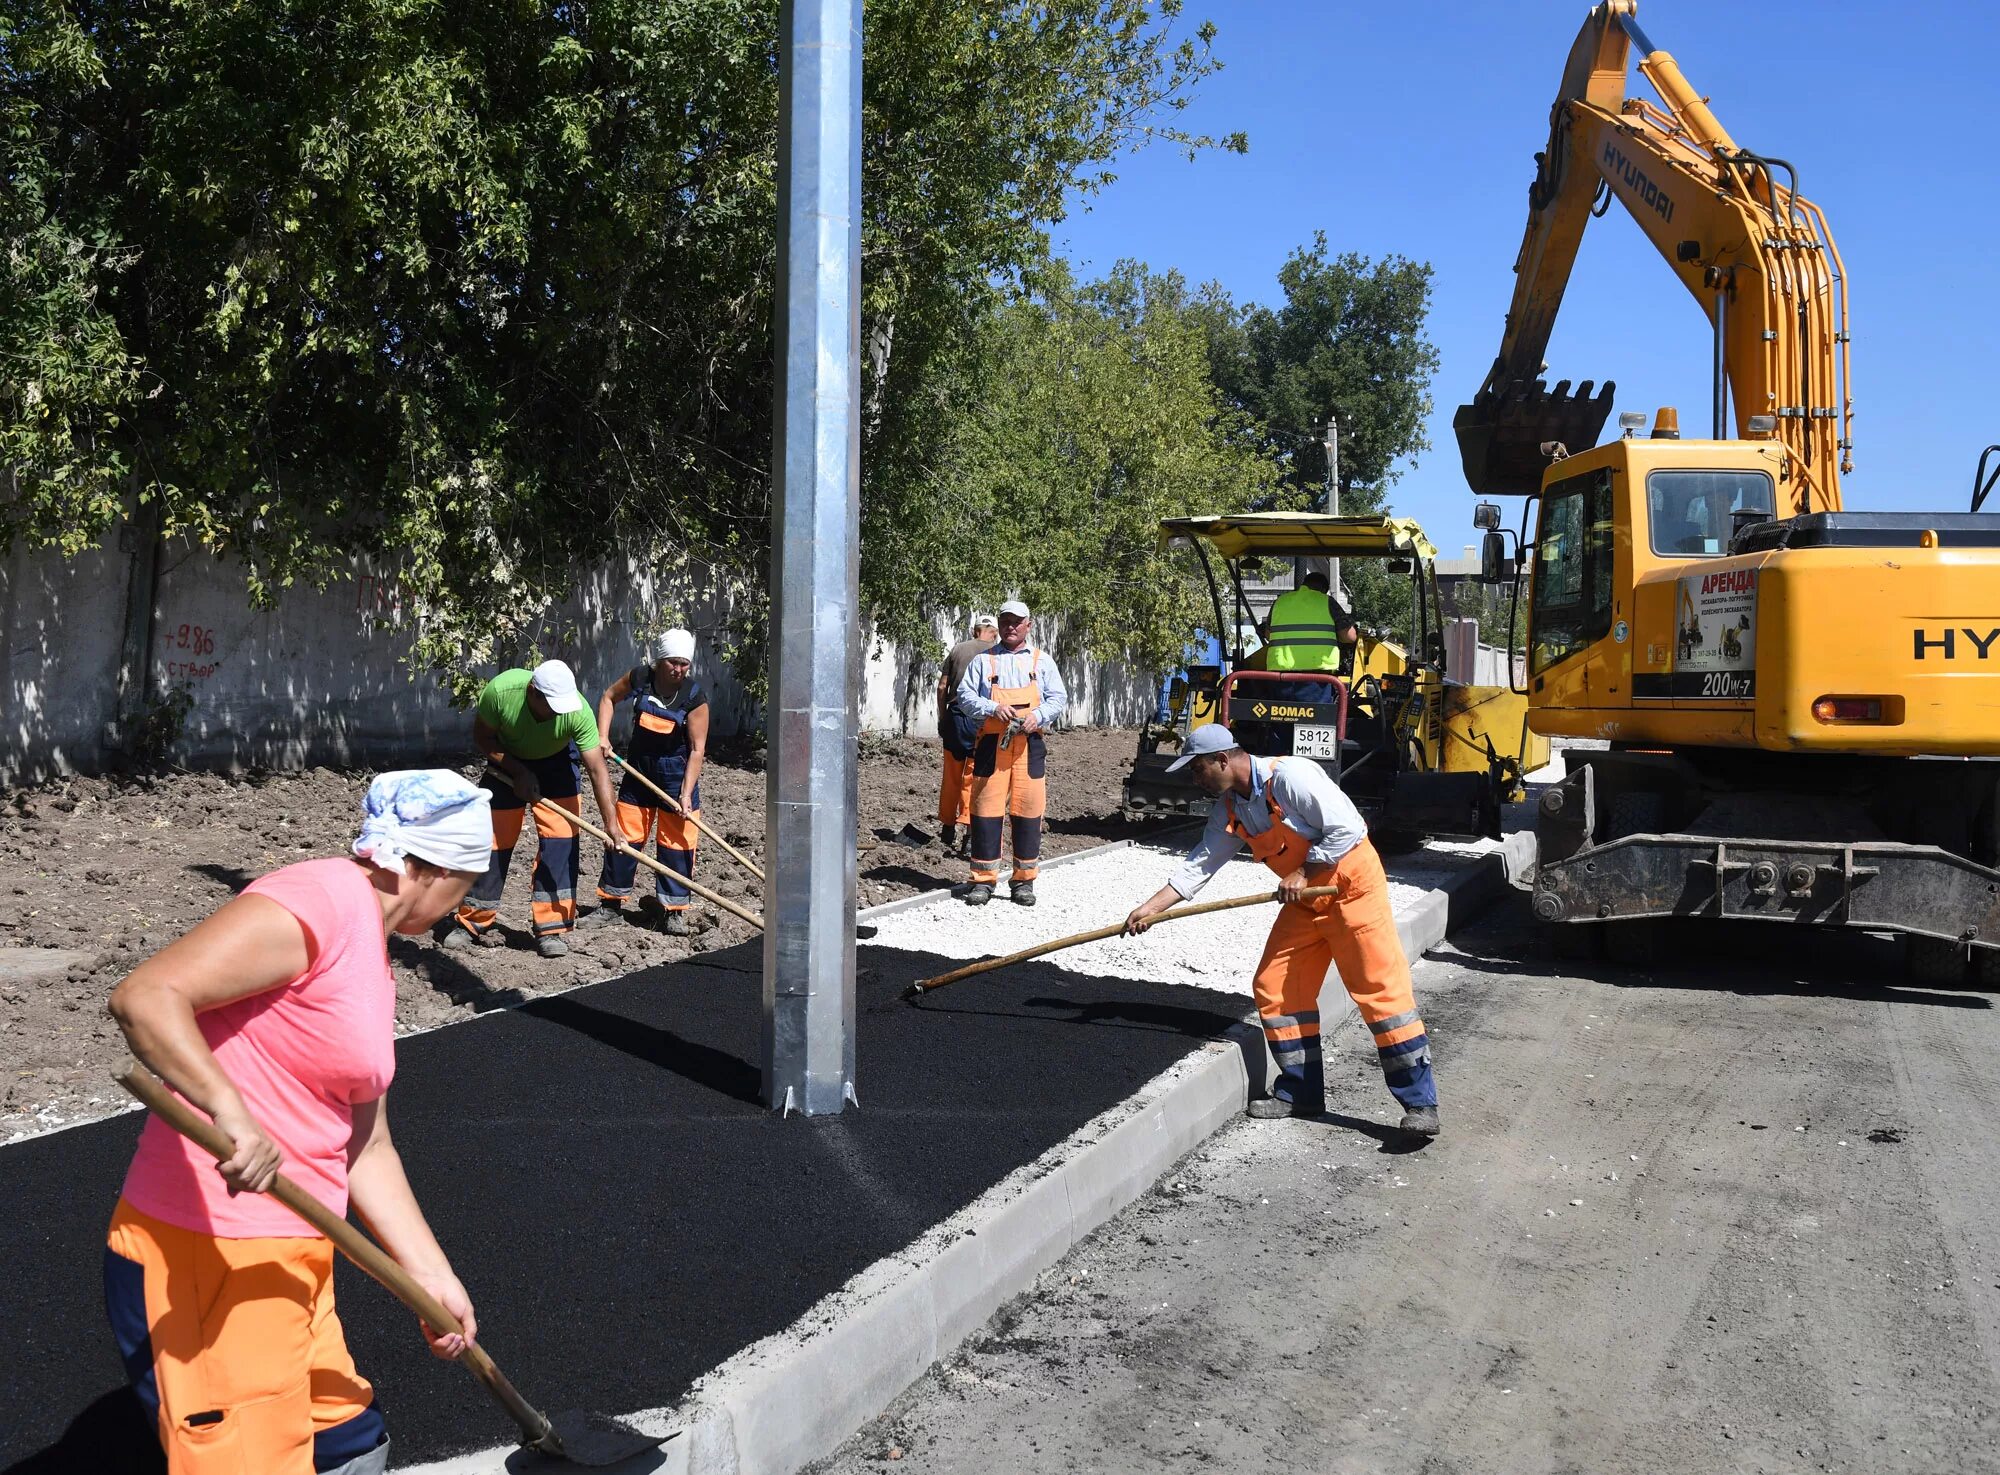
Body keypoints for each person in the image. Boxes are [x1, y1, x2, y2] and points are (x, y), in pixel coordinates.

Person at [104, 771, 490, 1475]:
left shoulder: (371, 950)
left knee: (351, 1443)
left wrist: (431, 1277)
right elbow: (146, 996)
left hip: (295, 1252)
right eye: (468, 888)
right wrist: (231, 1111)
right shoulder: (315, 900)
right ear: (432, 870)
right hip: (209, 1255)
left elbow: (367, 1146)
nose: (462, 909)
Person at [1121, 725, 1441, 1137]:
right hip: (1305, 900)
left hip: (1350, 889)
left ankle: (1420, 1104)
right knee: (1275, 987)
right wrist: (1149, 909)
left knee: (1382, 993)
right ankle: (1301, 1093)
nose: (1195, 779)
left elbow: (1349, 827)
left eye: (1198, 770)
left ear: (1223, 759)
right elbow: (1200, 865)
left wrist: (1304, 870)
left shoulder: (1290, 777)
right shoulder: (1230, 808)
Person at [444, 659, 622, 959]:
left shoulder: (576, 710)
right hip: (507, 759)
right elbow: (483, 737)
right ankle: (473, 919)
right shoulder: (501, 691)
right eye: (550, 705)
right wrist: (517, 771)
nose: (557, 712)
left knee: (561, 841)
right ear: (532, 692)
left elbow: (597, 769)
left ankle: (552, 927)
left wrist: (611, 824)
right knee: (492, 841)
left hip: (557, 764)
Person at [586, 628, 710, 935]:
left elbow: (697, 750)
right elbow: (608, 698)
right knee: (623, 836)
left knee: (678, 844)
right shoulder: (641, 678)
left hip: (676, 775)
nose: (679, 669)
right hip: (638, 771)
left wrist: (685, 793)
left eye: (684, 664)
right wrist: (602, 735)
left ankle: (673, 911)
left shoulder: (694, 697)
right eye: (673, 663)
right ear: (660, 660)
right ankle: (611, 905)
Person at [953, 598, 1068, 908]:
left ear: (1028, 626)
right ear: (1000, 625)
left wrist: (1038, 717)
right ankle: (983, 880)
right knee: (985, 811)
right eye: (1006, 621)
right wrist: (992, 707)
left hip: (1029, 745)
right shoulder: (984, 661)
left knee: (1029, 812)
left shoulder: (1042, 662)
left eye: (1018, 621)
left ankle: (1023, 881)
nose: (1011, 626)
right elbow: (964, 697)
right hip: (993, 745)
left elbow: (1058, 698)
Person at [936, 613, 999, 857]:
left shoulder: (957, 650)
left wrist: (943, 718)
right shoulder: (997, 655)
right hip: (982, 722)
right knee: (973, 777)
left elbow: (942, 687)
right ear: (994, 632)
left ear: (975, 631)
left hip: (956, 719)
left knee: (952, 774)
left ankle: (947, 827)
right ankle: (969, 835)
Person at [1260, 569, 1358, 698]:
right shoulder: (1326, 601)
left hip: (1281, 676)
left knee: (1282, 715)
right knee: (1316, 715)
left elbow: (1268, 635)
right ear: (1324, 589)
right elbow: (1349, 637)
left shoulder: (1280, 602)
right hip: (1317, 678)